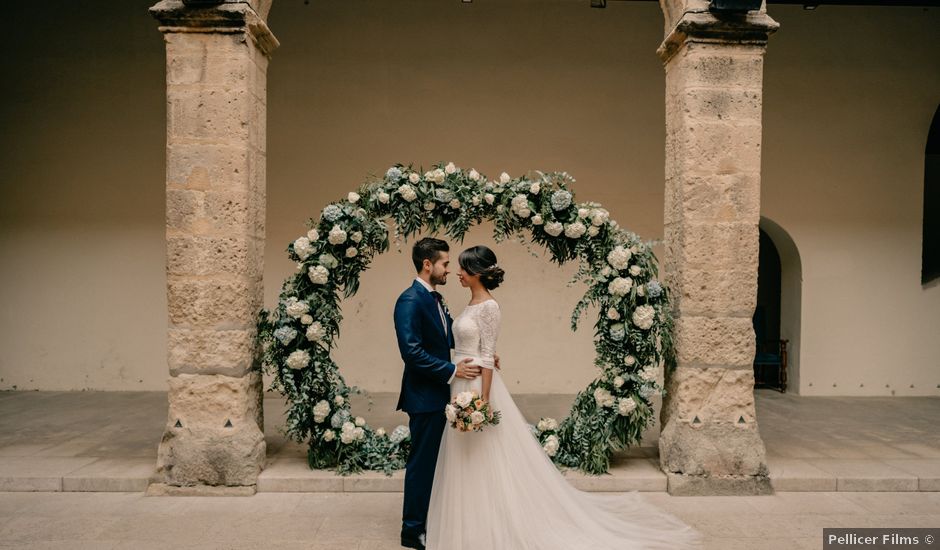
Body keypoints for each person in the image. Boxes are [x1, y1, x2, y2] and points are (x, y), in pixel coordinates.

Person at [424, 245, 703, 550]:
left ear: (477, 272)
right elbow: (474, 345)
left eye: (463, 268)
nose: (458, 273)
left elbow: (488, 356)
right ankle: (469, 520)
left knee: (484, 453)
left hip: (476, 388)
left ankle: (492, 522)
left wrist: (484, 400)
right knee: (465, 454)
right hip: (461, 383)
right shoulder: (468, 304)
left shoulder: (490, 307)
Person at [393, 237, 501, 550]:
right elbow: (412, 353)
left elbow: (454, 335)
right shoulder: (410, 300)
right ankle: (412, 532)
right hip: (425, 396)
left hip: (446, 394)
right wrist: (453, 372)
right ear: (428, 264)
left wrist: (485, 355)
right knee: (422, 465)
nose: (448, 269)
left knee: (440, 465)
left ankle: (434, 520)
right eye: (443, 263)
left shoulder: (436, 299)